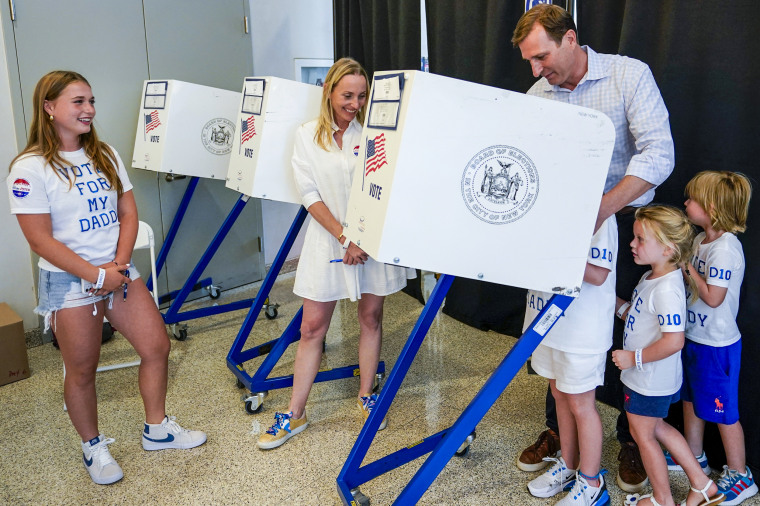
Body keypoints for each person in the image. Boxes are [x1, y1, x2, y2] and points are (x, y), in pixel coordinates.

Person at [6, 71, 206, 485]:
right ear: (49, 107)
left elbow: (128, 213)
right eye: (78, 102)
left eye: (91, 101)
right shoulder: (29, 169)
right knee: (82, 369)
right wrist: (96, 275)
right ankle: (93, 447)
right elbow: (39, 240)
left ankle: (157, 430)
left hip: (118, 272)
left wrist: (115, 267)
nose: (89, 110)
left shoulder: (105, 154)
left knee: (156, 346)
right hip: (69, 282)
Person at [511, 4, 675, 493]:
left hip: (625, 223)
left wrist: (600, 208)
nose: (538, 72)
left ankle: (628, 439)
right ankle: (564, 442)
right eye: (530, 63)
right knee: (562, 352)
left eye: (542, 57)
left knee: (630, 338)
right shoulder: (538, 92)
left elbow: (659, 153)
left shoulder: (628, 75)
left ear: (571, 39)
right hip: (568, 227)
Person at [257, 57, 414, 450]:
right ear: (329, 91)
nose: (355, 104)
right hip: (329, 240)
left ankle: (366, 396)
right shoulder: (307, 135)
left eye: (361, 96)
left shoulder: (374, 135)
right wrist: (346, 238)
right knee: (311, 329)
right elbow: (309, 195)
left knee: (371, 317)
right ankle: (296, 413)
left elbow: (383, 191)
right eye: (347, 95)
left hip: (370, 241)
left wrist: (362, 238)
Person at [613, 205, 723, 506]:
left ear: (668, 248)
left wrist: (633, 358)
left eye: (640, 239)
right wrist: (614, 303)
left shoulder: (666, 290)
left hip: (649, 378)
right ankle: (702, 486)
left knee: (643, 435)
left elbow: (674, 341)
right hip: (648, 377)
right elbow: (638, 317)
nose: (632, 245)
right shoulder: (653, 277)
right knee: (658, 428)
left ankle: (663, 500)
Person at [666, 171, 755, 505]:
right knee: (691, 400)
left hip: (717, 346)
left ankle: (740, 474)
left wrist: (686, 265)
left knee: (723, 413)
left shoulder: (726, 249)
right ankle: (694, 455)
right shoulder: (703, 238)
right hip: (694, 337)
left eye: (692, 199)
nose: (685, 203)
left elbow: (713, 297)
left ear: (713, 206)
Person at [522, 215, 617, 505]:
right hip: (548, 319)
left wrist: (551, 251)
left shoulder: (602, 212)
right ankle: (570, 463)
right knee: (558, 393)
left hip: (581, 328)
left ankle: (591, 483)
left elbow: (599, 274)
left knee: (580, 404)